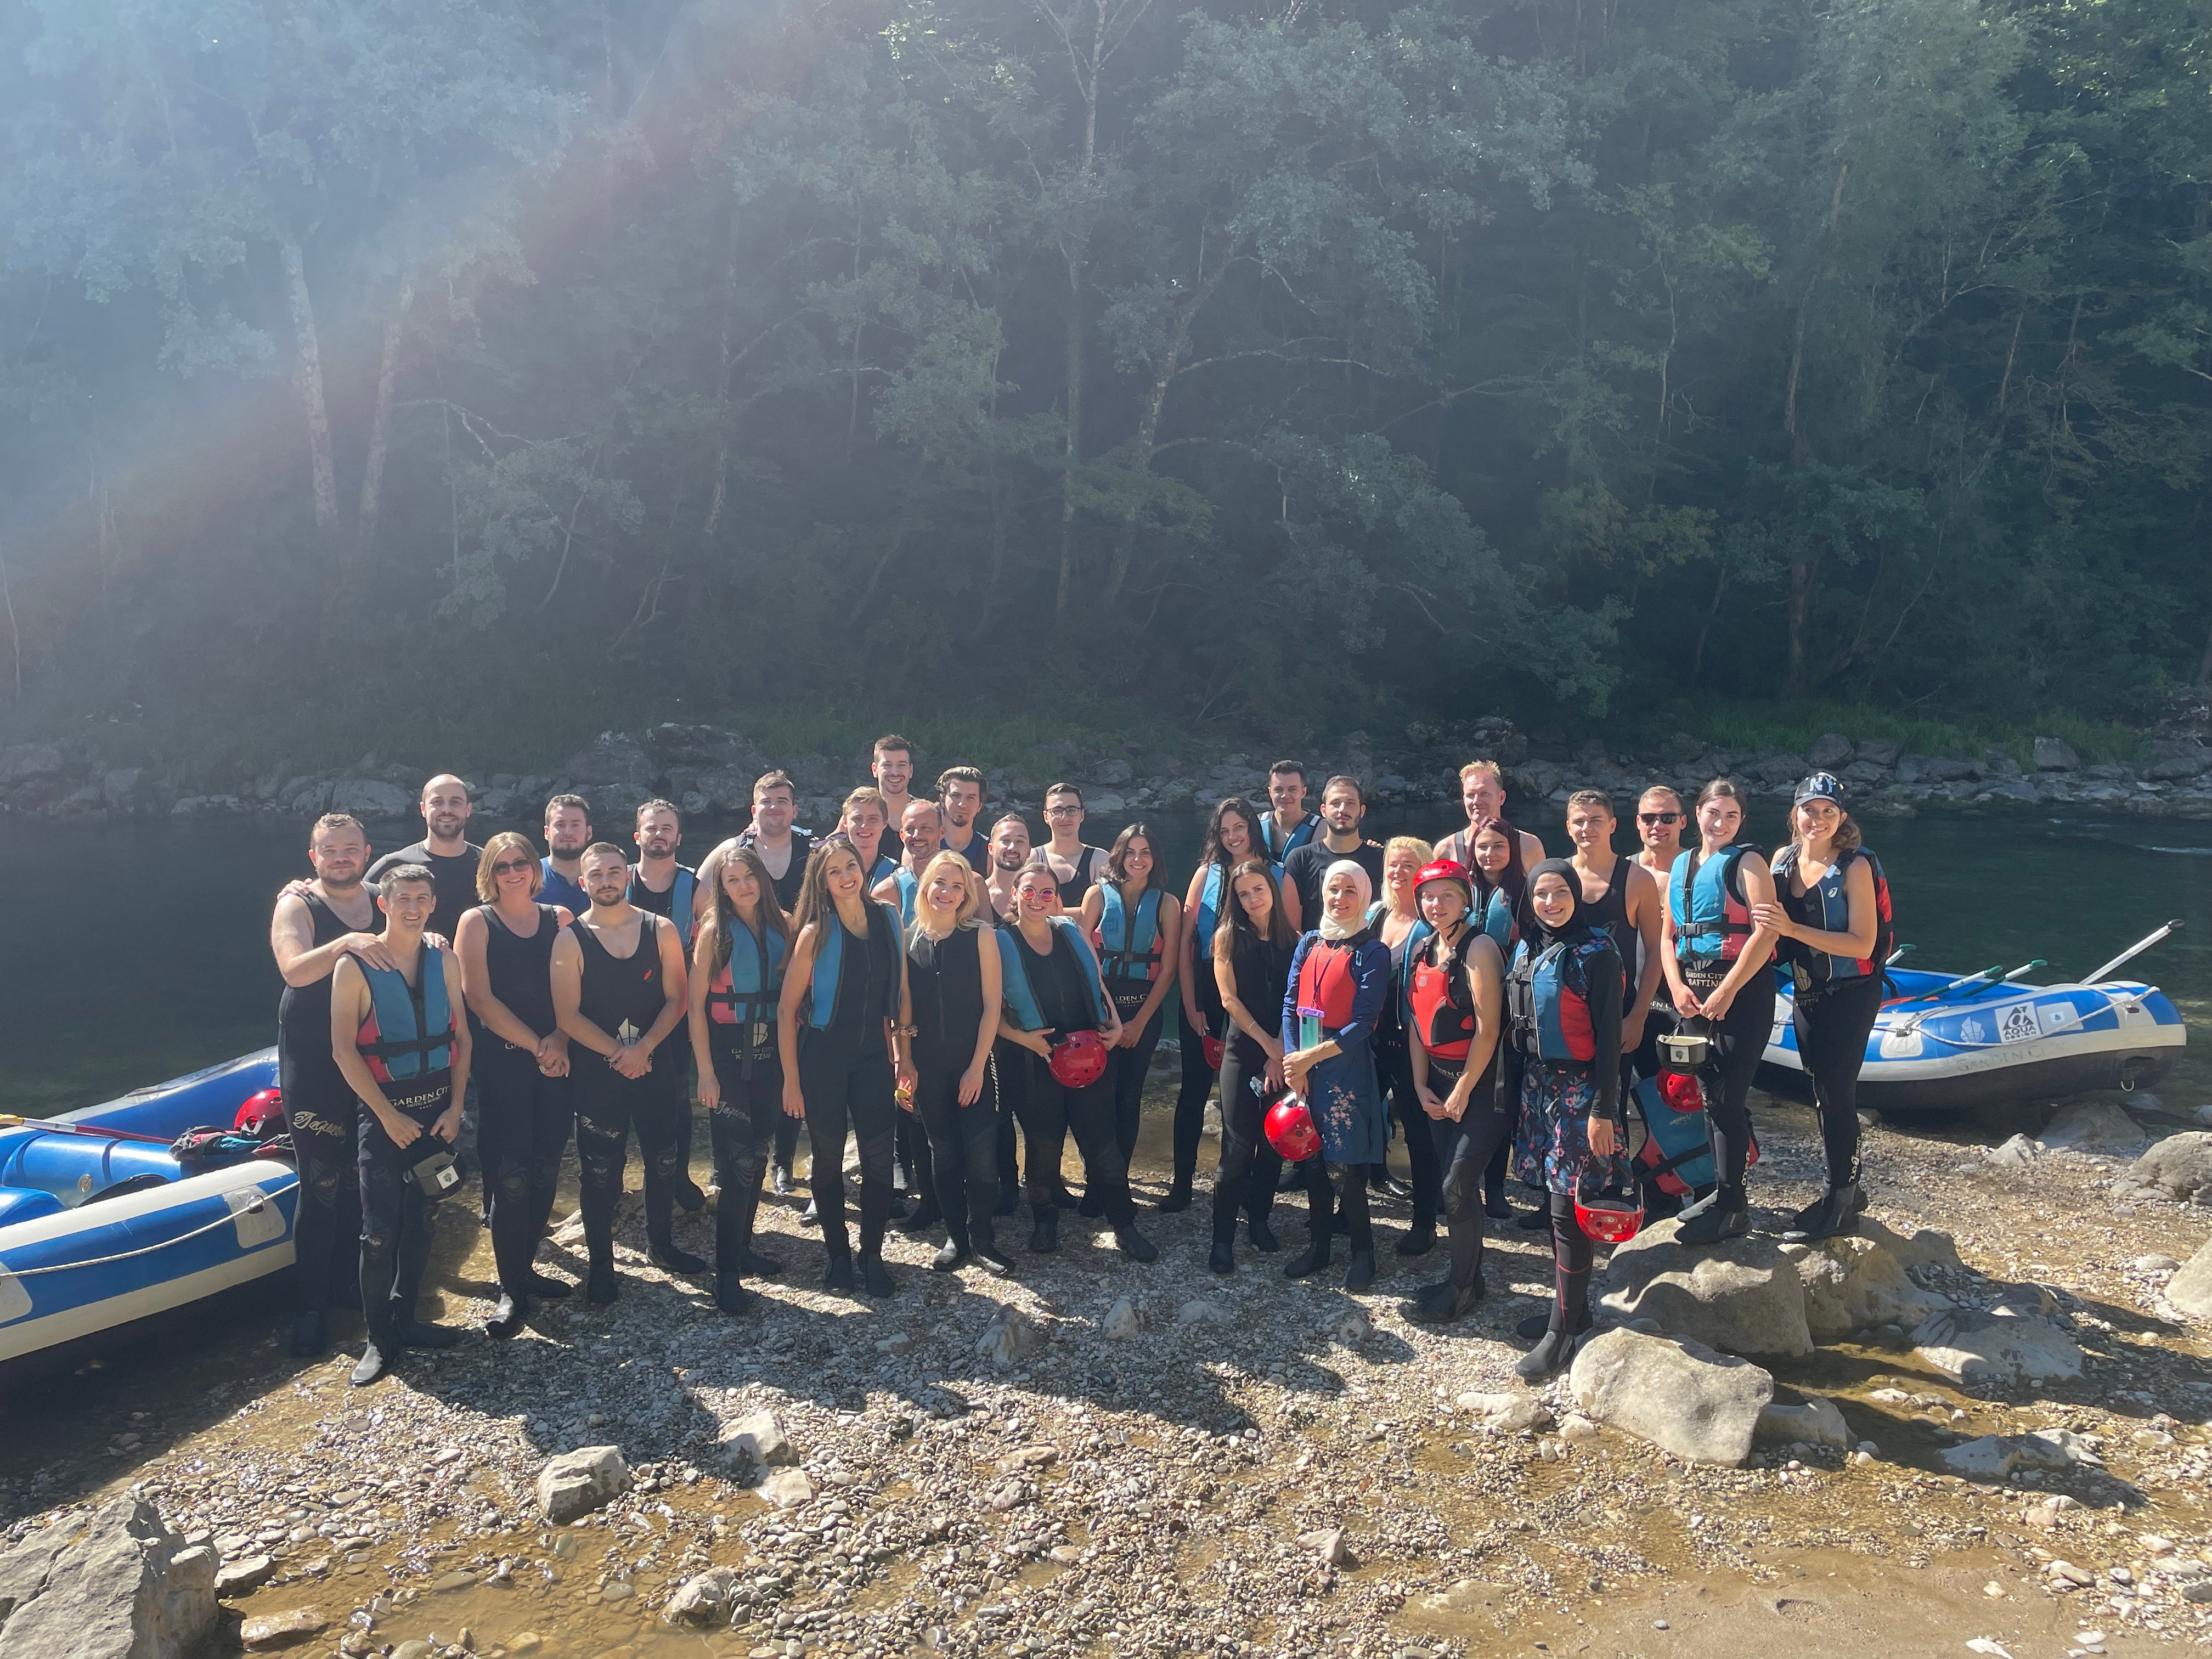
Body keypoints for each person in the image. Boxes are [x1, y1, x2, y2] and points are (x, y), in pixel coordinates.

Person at [328, 864, 470, 1386]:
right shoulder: (355, 967)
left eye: (422, 899)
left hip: (436, 1114)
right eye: (403, 899)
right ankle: (379, 1338)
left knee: (423, 1220)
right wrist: (387, 1117)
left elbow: (462, 1040)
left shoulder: (444, 959)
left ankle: (407, 1319)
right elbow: (344, 1052)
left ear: (433, 904)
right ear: (383, 905)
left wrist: (456, 1109)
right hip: (384, 1117)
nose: (413, 908)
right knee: (378, 1234)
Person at [551, 842, 699, 1305]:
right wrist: (620, 1052)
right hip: (599, 1073)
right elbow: (567, 1015)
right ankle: (601, 1268)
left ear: (628, 876)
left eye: (615, 872)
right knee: (598, 1171)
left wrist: (647, 1047)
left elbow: (679, 997)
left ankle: (663, 1245)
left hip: (657, 1064)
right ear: (583, 883)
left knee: (663, 1159)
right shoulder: (570, 938)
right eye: (596, 875)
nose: (607, 881)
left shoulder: (661, 929)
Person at [1504, 860, 1630, 1379]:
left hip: (1582, 1092)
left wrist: (1604, 1111)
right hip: (1540, 1085)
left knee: (1565, 1210)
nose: (1550, 903)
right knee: (1550, 1202)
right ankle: (1571, 1310)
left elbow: (1609, 1046)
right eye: (1541, 895)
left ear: (1576, 896)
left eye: (1560, 894)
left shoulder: (1598, 955)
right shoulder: (1530, 947)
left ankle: (1564, 1333)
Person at [995, 864, 1158, 1261]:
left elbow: (1099, 985)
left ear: (1056, 898)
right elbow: (986, 1010)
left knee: (1103, 1144)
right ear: (1014, 895)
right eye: (1029, 892)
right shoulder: (998, 942)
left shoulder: (1070, 932)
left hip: (1089, 1051)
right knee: (1043, 1145)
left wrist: (1117, 1027)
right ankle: (1045, 1221)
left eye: (1047, 893)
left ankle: (1124, 1223)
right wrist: (1024, 1040)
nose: (1037, 900)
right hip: (1037, 1055)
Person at [1757, 772, 1893, 1242]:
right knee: (1820, 1090)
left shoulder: (1854, 866)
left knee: (1837, 1093)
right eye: (1809, 810)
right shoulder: (1783, 860)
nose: (1818, 820)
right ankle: (1844, 1190)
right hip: (1807, 990)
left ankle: (1842, 1200)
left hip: (1852, 992)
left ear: (1842, 817)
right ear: (1794, 814)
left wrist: (1792, 932)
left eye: (1828, 812)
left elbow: (1863, 942)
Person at [776, 836, 912, 1295]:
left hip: (874, 1060)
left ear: (862, 868)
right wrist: (791, 1082)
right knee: (828, 1161)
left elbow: (903, 994)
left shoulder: (888, 918)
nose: (846, 876)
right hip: (823, 1062)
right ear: (823, 881)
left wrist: (905, 1056)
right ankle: (837, 1255)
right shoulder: (816, 933)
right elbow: (785, 1010)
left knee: (878, 1160)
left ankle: (872, 1254)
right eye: (834, 871)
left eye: (850, 866)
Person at [271, 812, 384, 1357]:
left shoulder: (385, 897)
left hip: (371, 1060)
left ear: (366, 852)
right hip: (314, 1064)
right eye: (328, 850)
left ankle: (352, 1287)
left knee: (367, 1182)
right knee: (320, 1188)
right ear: (312, 857)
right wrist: (351, 943)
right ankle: (311, 1310)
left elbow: (422, 935)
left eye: (349, 849)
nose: (340, 857)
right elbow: (293, 969)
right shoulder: (297, 904)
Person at [454, 833, 574, 1339]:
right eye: (501, 866)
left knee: (547, 1165)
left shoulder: (560, 920)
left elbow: (578, 991)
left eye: (520, 863)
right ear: (489, 873)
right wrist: (537, 1044)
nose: (512, 873)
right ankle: (510, 1290)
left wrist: (561, 1040)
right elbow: (478, 999)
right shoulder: (476, 923)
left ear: (534, 867)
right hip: (504, 1065)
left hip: (558, 1060)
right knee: (509, 1174)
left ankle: (526, 1269)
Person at [1661, 777, 1781, 1246]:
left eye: (1732, 815)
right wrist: (1675, 986)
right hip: (1694, 993)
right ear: (1698, 815)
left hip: (1742, 994)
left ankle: (1733, 1208)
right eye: (1715, 813)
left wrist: (1728, 992)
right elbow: (1668, 935)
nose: (1722, 822)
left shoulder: (1749, 862)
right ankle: (1723, 1192)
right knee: (1709, 1095)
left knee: (1728, 1098)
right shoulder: (1682, 865)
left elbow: (1765, 934)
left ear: (1741, 821)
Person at [1399, 859, 1508, 1324]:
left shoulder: (1480, 948)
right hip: (1438, 1082)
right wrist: (1420, 1084)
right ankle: (1468, 1276)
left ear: (1466, 900)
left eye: (1447, 895)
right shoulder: (1425, 948)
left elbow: (1488, 1028)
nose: (1436, 904)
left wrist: (1463, 1088)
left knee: (1457, 1185)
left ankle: (1462, 1288)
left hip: (1482, 1085)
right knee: (1455, 1189)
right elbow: (1418, 1026)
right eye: (1428, 896)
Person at [687, 843, 793, 1313]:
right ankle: (725, 1275)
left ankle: (745, 1248)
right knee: (736, 1167)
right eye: (732, 880)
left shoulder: (783, 924)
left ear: (761, 879)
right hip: (728, 1058)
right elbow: (694, 1008)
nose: (743, 886)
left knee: (759, 1153)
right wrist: (705, 1074)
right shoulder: (715, 932)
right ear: (722, 889)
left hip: (771, 1053)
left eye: (749, 877)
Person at [1279, 860, 1393, 1292]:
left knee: (1344, 1164)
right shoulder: (1308, 942)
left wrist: (1311, 1058)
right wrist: (1294, 1061)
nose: (1340, 899)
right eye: (1333, 890)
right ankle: (1320, 1244)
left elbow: (1364, 1022)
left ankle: (1363, 1252)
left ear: (1363, 896)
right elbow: (1290, 1004)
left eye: (1350, 891)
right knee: (1309, 1158)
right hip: (1304, 1064)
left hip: (1343, 1064)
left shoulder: (1372, 952)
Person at [904, 851, 1013, 1273]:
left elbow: (992, 1008)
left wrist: (976, 1066)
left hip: (975, 1065)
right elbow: (905, 1015)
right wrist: (905, 1064)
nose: (947, 893)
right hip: (928, 1066)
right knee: (943, 1153)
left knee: (982, 1155)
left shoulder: (981, 935)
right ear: (926, 886)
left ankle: (982, 1238)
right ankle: (956, 1238)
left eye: (956, 886)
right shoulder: (910, 939)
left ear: (967, 893)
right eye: (940, 883)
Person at [1079, 823, 1183, 1203]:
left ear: (1155, 859)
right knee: (1097, 1097)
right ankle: (1096, 1182)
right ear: (1118, 856)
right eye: (1131, 852)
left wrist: (1138, 1023)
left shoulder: (1167, 904)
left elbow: (1168, 969)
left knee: (1128, 1097)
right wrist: (1110, 1016)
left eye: (1146, 853)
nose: (1138, 860)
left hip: (1144, 1010)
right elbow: (1085, 958)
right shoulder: (1096, 895)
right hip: (1102, 1008)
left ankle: (1118, 1180)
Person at [1172, 798, 1266, 1206]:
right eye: (1225, 830)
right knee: (1193, 1089)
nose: (1233, 837)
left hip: (1253, 993)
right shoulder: (1204, 874)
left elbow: (1287, 942)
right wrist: (1192, 1005)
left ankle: (1240, 1182)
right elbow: (1185, 946)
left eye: (1239, 828)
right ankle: (1181, 1184)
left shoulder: (1272, 874)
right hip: (1207, 992)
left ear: (1252, 828)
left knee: (1245, 1090)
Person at [1207, 859, 1296, 1272]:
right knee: (1238, 1145)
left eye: (1258, 890)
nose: (1252, 899)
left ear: (1272, 891)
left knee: (1274, 1146)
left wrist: (1283, 1052)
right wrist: (1269, 1047)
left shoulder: (1293, 939)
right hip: (1243, 1052)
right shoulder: (1227, 937)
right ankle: (1221, 1239)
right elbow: (1229, 1000)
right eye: (1243, 893)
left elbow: (1297, 1002)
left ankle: (1259, 1221)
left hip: (1283, 1051)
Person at [629, 797, 709, 1215]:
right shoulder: (615, 880)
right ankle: (626, 1179)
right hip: (622, 1011)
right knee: (621, 1094)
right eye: (651, 828)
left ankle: (676, 1176)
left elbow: (716, 941)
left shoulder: (696, 887)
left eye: (667, 828)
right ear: (637, 835)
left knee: (677, 1096)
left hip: (675, 1010)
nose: (658, 835)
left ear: (678, 837)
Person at [1367, 836, 1440, 1245]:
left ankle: (1424, 1223)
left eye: (1408, 866)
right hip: (1371, 1041)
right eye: (1393, 865)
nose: (1398, 872)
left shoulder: (1431, 925)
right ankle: (1350, 1209)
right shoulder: (1376, 916)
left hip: (1412, 1046)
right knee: (1361, 1121)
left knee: (1418, 1132)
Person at [1563, 791, 1664, 1083]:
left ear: (1613, 825)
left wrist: (1638, 1018)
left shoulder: (1638, 880)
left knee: (1610, 1107)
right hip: (1564, 1012)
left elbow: (1656, 953)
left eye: (1596, 820)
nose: (1587, 828)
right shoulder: (1556, 878)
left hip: (1617, 1012)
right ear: (1568, 828)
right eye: (1579, 821)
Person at [1464, 816, 1527, 1218]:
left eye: (1499, 847)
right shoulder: (1461, 890)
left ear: (1512, 850)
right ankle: (1461, 1179)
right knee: (1467, 1091)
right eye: (1483, 847)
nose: (1490, 855)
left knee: (1502, 1096)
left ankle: (1497, 1187)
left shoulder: (1524, 892)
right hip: (1465, 1003)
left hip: (1508, 1008)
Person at [366, 774, 483, 944]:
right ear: (423, 809)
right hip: (412, 968)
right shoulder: (393, 865)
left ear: (468, 809)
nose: (447, 810)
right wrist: (314, 889)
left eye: (455, 802)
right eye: (437, 802)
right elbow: (352, 898)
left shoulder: (490, 864)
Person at [1280, 776, 1383, 933]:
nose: (1342, 809)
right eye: (1335, 803)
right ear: (1323, 810)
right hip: (1315, 953)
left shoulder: (1381, 859)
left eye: (1350, 803)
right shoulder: (1300, 859)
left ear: (1362, 811)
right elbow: (1292, 930)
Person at [1437, 760, 1545, 871]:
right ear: (1464, 800)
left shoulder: (1530, 846)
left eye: (1484, 794)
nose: (1476, 801)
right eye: (1471, 795)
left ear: (1501, 798)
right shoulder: (1445, 850)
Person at [737, 771, 816, 913]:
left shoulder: (814, 850)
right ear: (754, 812)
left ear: (795, 811)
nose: (774, 807)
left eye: (782, 801)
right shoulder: (737, 851)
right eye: (766, 802)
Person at [874, 798, 945, 928]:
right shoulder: (885, 893)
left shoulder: (969, 883)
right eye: (910, 829)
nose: (917, 835)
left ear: (942, 832)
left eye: (926, 828)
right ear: (902, 835)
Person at [1039, 784, 1110, 906]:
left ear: (1082, 815)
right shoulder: (1033, 859)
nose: (1064, 817)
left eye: (1072, 810)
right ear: (1046, 817)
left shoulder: (1100, 860)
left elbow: (1108, 910)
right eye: (1057, 811)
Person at [1257, 761, 1321, 867]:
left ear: (1304, 792)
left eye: (1292, 790)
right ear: (1270, 792)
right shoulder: (1257, 825)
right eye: (1279, 790)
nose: (1285, 795)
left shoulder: (1321, 829)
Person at [539, 794, 594, 914]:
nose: (568, 832)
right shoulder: (529, 876)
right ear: (547, 832)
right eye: (560, 825)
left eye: (575, 825)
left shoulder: (605, 878)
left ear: (589, 832)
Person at [840, 787, 899, 890]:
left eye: (873, 819)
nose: (865, 826)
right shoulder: (828, 871)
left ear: (885, 823)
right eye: (857, 819)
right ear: (845, 822)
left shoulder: (896, 876)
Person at [983, 813, 1033, 922]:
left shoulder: (1040, 898)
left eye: (1020, 841)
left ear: (1029, 851)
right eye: (1005, 840)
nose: (1012, 847)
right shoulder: (974, 895)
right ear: (991, 848)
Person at [937, 766, 988, 871]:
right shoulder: (926, 845)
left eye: (970, 798)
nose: (962, 804)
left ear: (980, 805)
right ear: (942, 800)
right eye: (956, 796)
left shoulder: (989, 851)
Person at [1633, 785, 1686, 883]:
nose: (1657, 825)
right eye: (1649, 818)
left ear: (1683, 822)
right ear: (1638, 822)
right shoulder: (1624, 871)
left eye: (1668, 818)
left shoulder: (1698, 869)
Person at [871, 734, 918, 827]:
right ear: (875, 770)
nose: (895, 773)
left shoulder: (926, 813)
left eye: (901, 765)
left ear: (911, 771)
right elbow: (835, 840)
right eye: (887, 765)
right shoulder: (861, 813)